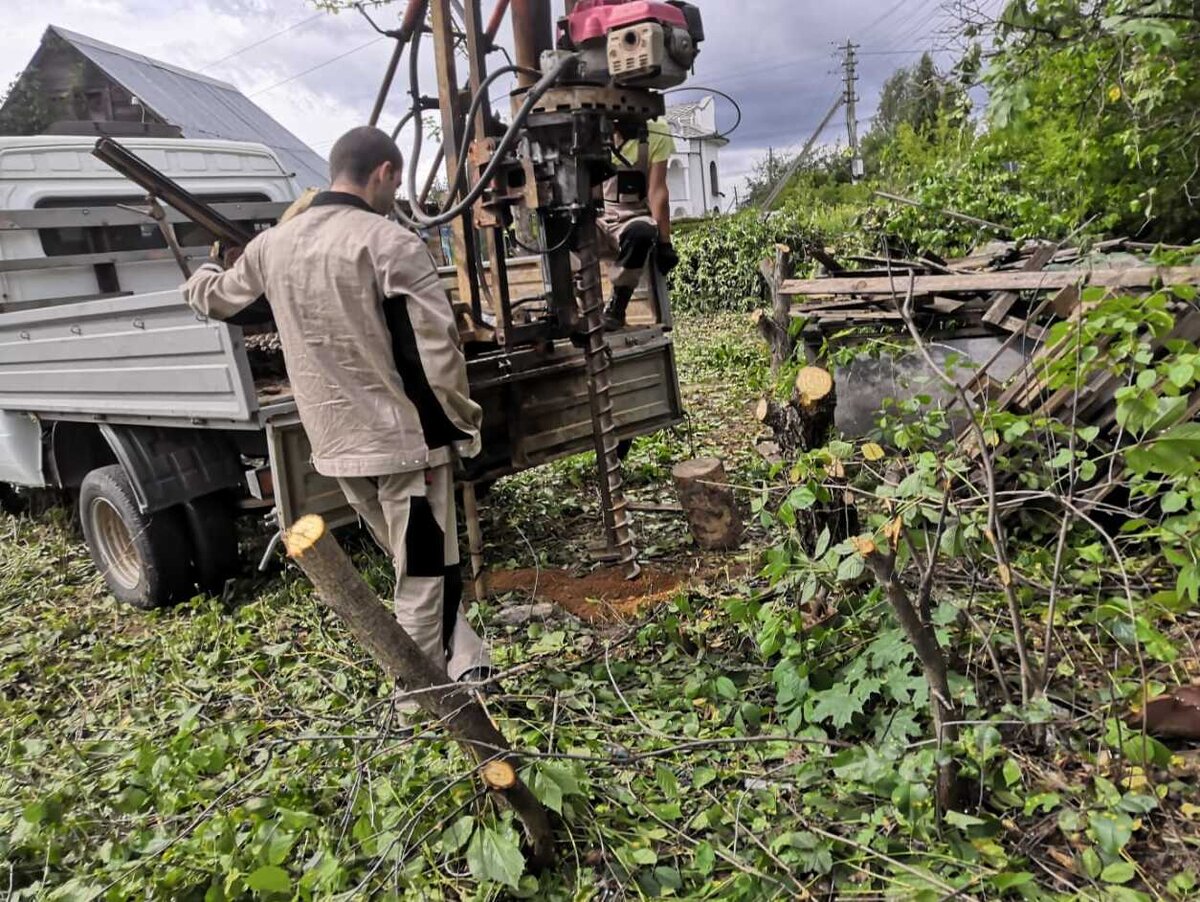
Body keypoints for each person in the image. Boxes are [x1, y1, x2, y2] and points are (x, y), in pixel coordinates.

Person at [182, 126, 491, 703]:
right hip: (405, 449)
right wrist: (461, 424)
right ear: (385, 172)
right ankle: (423, 707)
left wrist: (204, 269)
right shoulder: (389, 243)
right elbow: (438, 351)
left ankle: (465, 657)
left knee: (411, 562)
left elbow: (217, 298)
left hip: (337, 446)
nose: (395, 196)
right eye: (395, 185)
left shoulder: (272, 246)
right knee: (422, 573)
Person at [598, 117, 680, 330]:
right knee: (565, 233)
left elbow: (657, 191)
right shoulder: (589, 130)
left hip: (633, 217)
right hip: (599, 217)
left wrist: (664, 242)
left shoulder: (657, 133)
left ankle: (618, 304)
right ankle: (578, 308)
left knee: (642, 232)